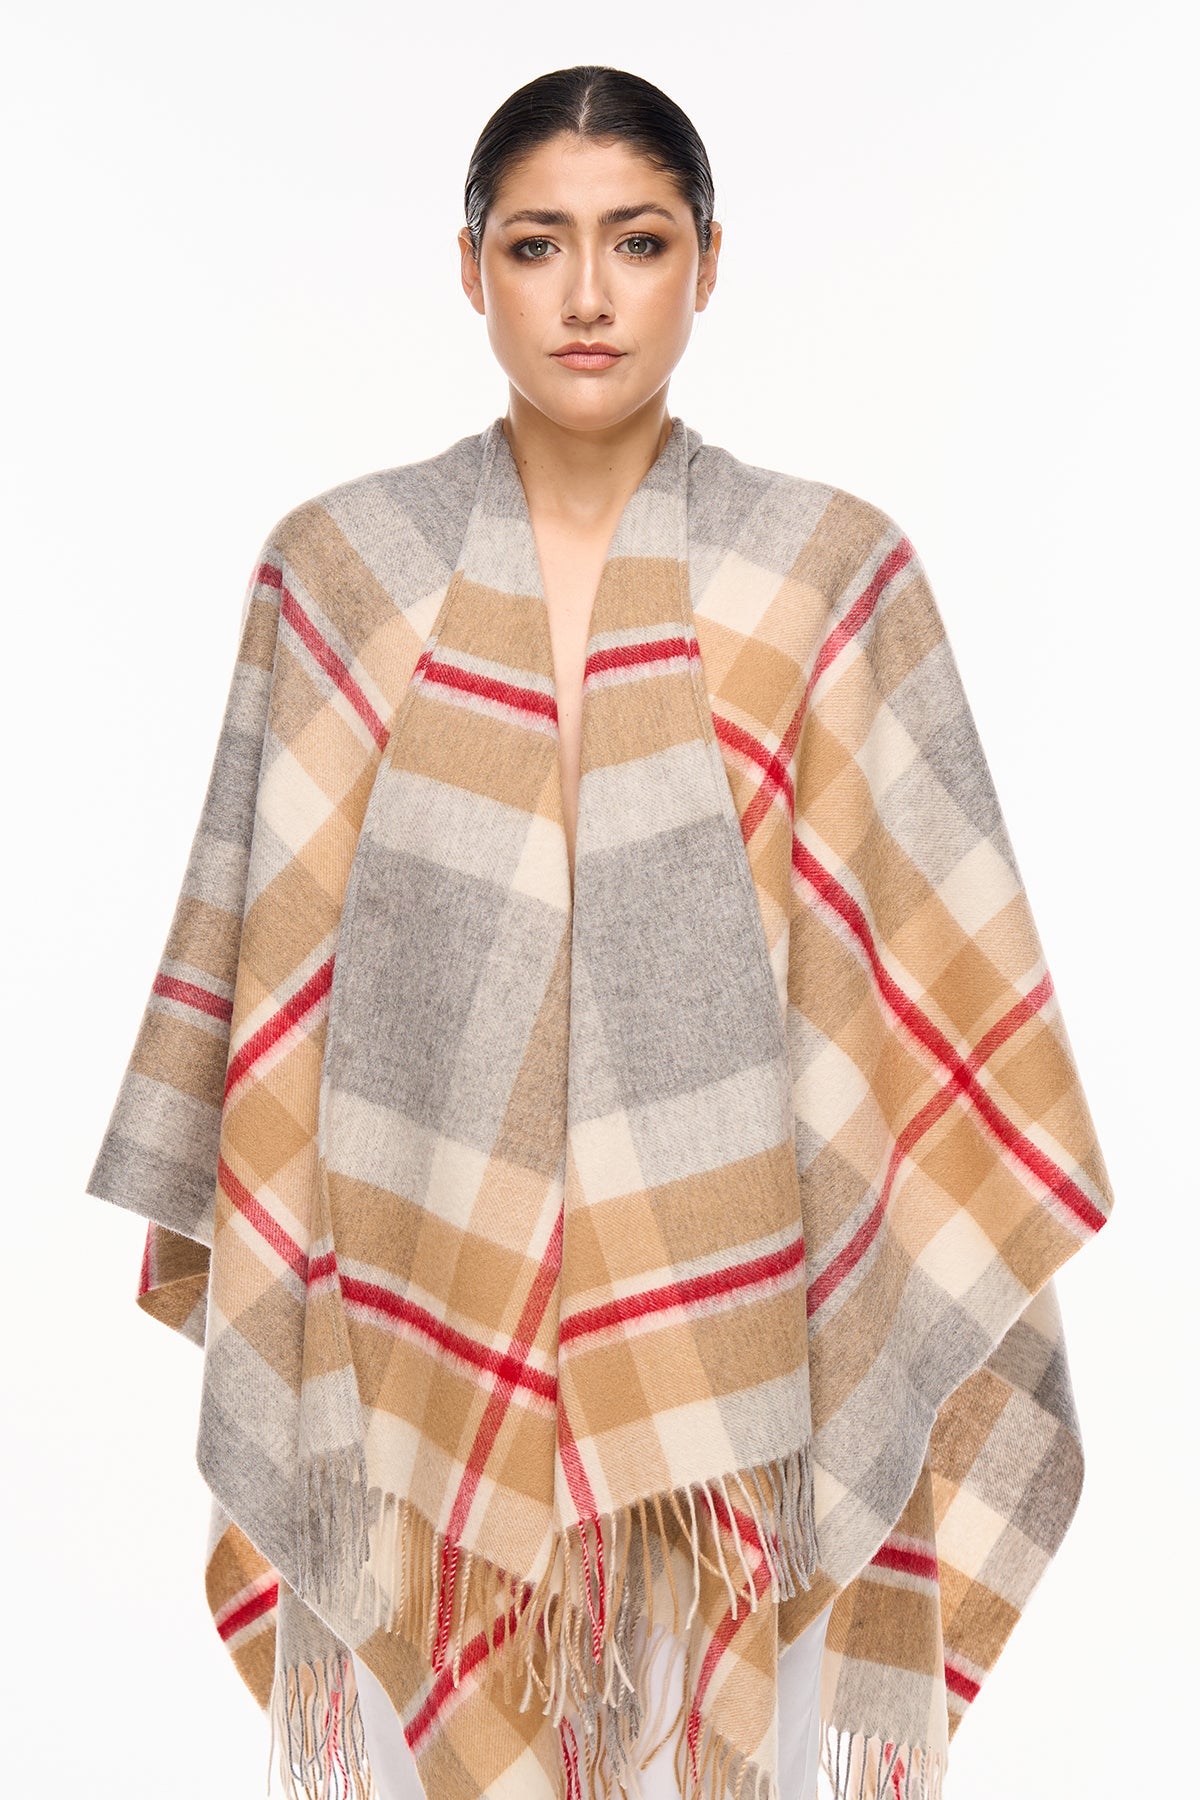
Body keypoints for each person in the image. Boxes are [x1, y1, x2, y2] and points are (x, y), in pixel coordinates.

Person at [86, 62, 1113, 1800]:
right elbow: (272, 995)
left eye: (636, 242)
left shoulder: (829, 574)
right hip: (417, 1402)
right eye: (535, 243)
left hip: (749, 1417)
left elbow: (919, 997)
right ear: (467, 265)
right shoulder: (339, 571)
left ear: (709, 262)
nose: (585, 294)